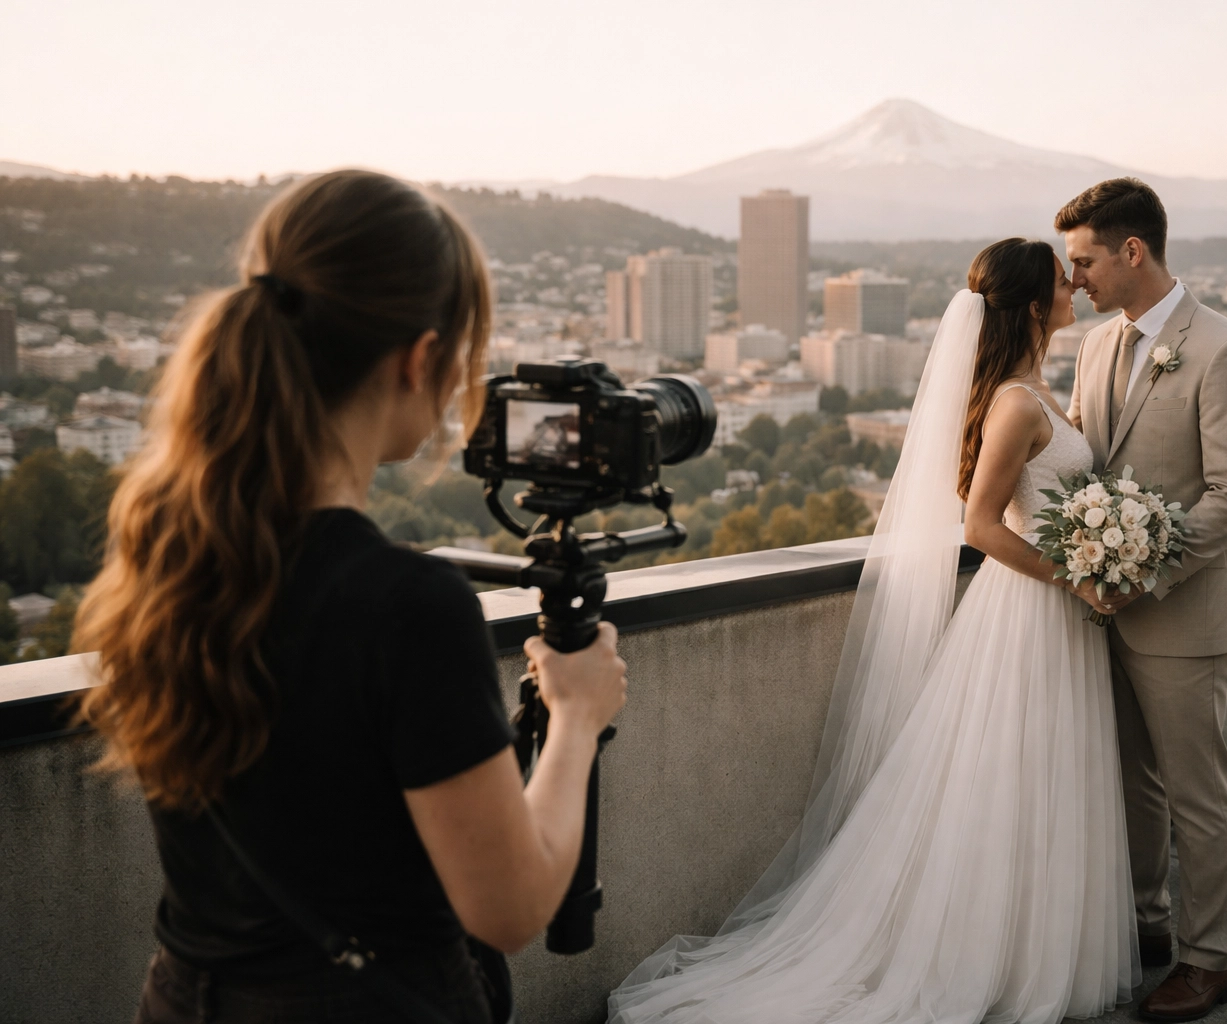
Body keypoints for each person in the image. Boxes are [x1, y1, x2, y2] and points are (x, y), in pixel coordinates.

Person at [72, 169, 628, 1024]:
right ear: (418, 360)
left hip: (186, 998)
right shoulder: (406, 606)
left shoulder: (166, 560)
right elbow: (511, 910)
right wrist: (578, 717)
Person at [608, 239, 1139, 1024]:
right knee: (1004, 781)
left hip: (1056, 613)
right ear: (1034, 305)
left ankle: (1029, 945)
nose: (1075, 288)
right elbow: (983, 527)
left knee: (1042, 775)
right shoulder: (1018, 405)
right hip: (1027, 614)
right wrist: (1078, 576)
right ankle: (984, 951)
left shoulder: (1038, 391)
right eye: (1064, 281)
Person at [1060, 178, 1227, 1022]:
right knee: (1131, 783)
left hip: (1180, 613)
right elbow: (1086, 463)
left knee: (1196, 793)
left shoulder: (1225, 350)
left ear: (1131, 251)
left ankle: (1209, 960)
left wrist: (1140, 571)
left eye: (1085, 262)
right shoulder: (1095, 346)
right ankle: (1148, 926)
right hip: (1105, 607)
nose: (1076, 280)